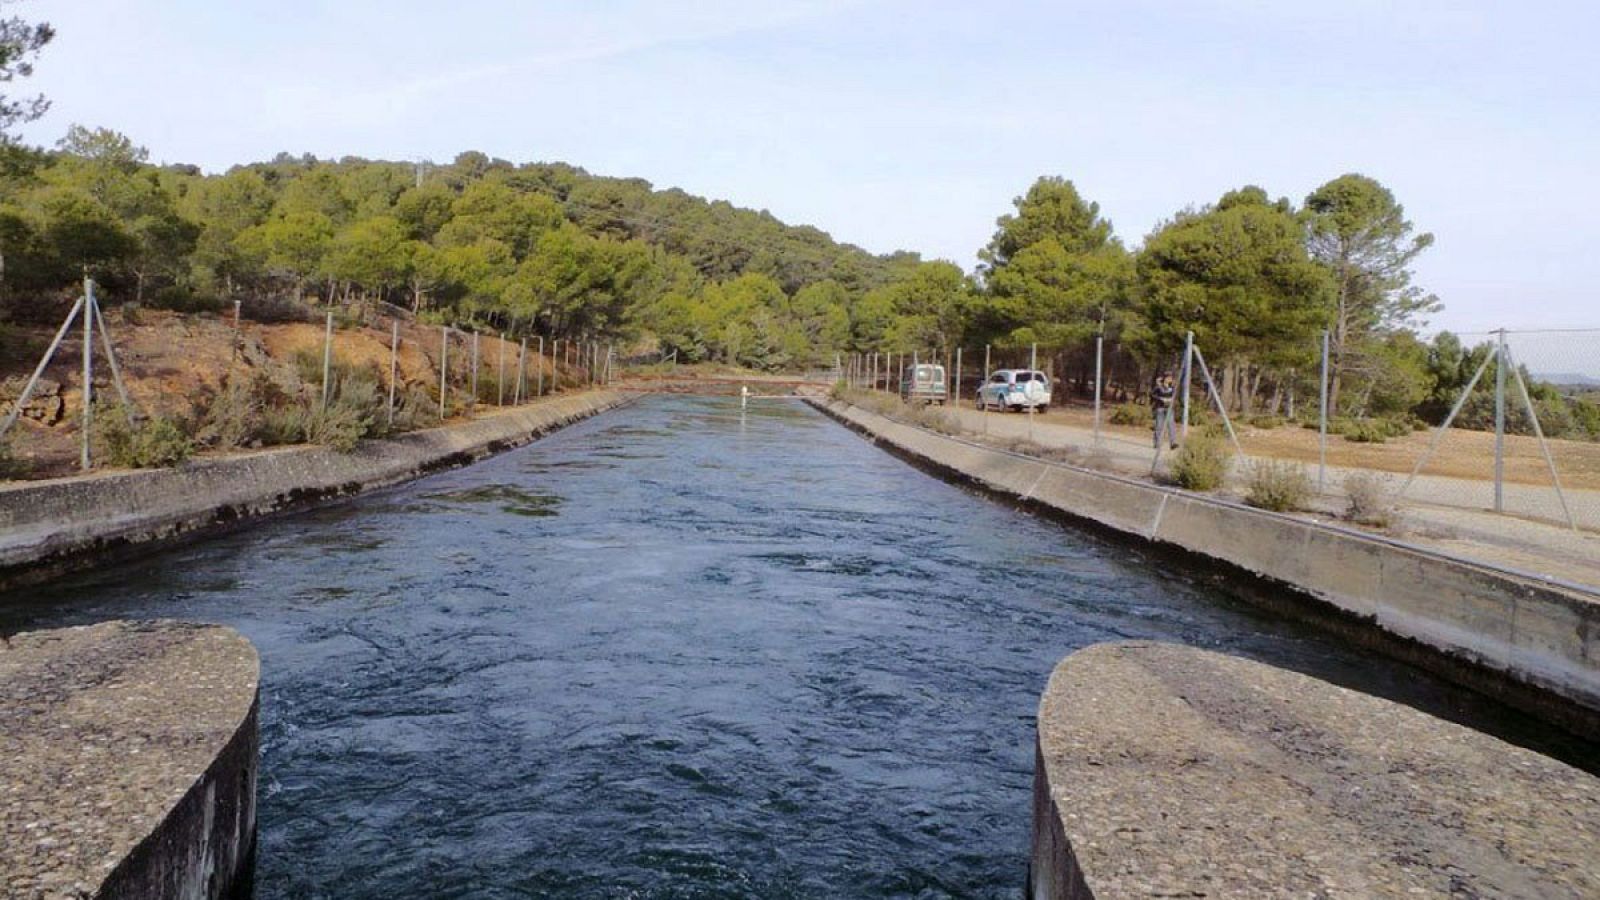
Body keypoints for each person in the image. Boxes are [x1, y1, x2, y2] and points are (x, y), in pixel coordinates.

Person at [1151, 372, 1178, 450]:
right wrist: (1160, 399)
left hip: (1169, 409)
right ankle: (1157, 443)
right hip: (1160, 408)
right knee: (1159, 426)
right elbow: (1152, 395)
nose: (1170, 379)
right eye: (1168, 377)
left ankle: (1172, 443)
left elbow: (1174, 396)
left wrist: (1171, 400)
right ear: (1164, 378)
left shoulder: (1172, 387)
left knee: (1171, 425)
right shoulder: (1159, 387)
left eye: (1171, 378)